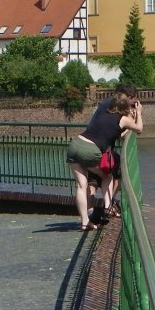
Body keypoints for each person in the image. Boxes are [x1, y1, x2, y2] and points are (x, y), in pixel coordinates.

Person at [65, 92, 143, 231]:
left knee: (81, 185)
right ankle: (108, 206)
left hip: (75, 144)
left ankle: (85, 222)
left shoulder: (102, 111)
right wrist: (138, 112)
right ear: (125, 107)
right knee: (107, 176)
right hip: (90, 149)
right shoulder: (123, 118)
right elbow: (139, 129)